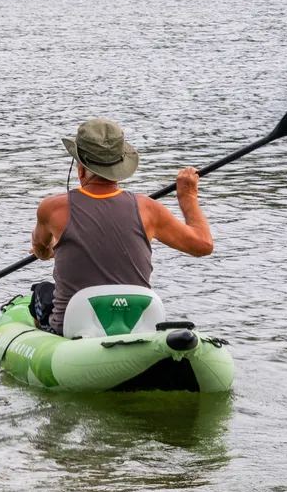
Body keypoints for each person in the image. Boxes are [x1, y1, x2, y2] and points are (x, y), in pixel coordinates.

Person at [28, 118, 214, 334]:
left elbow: (40, 249)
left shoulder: (52, 209)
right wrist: (188, 197)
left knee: (40, 293)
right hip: (138, 326)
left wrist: (49, 251)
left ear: (80, 169)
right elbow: (203, 245)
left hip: (73, 329)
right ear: (120, 166)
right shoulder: (148, 209)